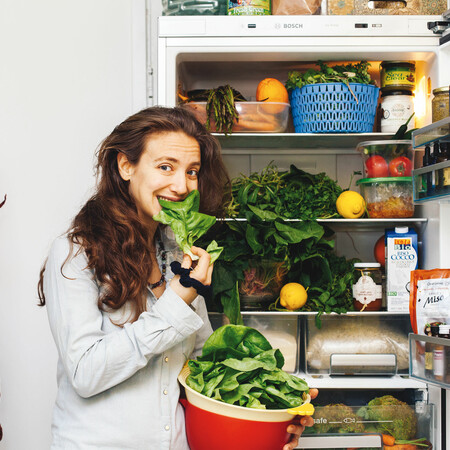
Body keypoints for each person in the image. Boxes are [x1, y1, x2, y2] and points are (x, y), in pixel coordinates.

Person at [38, 105, 316, 450]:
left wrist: (273, 407)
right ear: (126, 166)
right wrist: (176, 301)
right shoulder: (75, 254)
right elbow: (85, 373)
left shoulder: (175, 253)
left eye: (193, 171)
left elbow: (203, 366)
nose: (182, 186)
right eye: (165, 167)